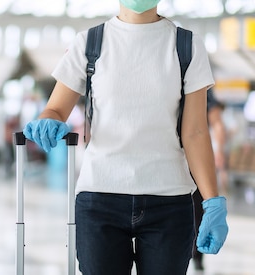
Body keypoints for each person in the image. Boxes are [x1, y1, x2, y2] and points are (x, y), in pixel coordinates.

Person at [22, 1, 229, 274]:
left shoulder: (187, 45)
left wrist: (211, 200)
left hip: (168, 200)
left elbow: (195, 131)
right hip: (100, 198)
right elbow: (56, 108)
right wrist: (48, 120)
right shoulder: (90, 43)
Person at [192, 88, 227, 270]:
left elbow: (217, 123)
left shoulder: (204, 89)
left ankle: (196, 254)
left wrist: (219, 150)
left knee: (199, 207)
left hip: (196, 158)